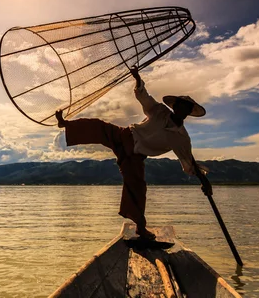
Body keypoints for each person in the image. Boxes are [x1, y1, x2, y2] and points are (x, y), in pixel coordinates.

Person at [55, 66, 212, 240]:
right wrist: (137, 78)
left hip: (135, 155)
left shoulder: (182, 138)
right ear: (175, 106)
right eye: (180, 106)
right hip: (125, 135)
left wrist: (205, 182)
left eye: (185, 108)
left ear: (188, 112)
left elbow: (189, 162)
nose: (181, 109)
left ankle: (141, 228)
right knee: (98, 126)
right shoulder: (160, 111)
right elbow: (145, 97)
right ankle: (66, 124)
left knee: (138, 188)